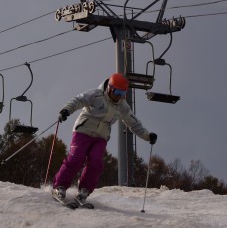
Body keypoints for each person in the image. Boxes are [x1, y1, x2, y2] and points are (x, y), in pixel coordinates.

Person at [52, 72, 157, 205]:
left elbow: (134, 123)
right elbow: (78, 100)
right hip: (83, 131)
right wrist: (66, 110)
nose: (119, 96)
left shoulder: (122, 106)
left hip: (101, 137)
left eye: (123, 93)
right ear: (110, 88)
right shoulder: (96, 95)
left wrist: (148, 136)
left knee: (96, 162)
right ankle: (59, 186)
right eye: (118, 92)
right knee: (76, 158)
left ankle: (84, 190)